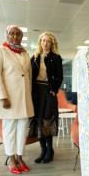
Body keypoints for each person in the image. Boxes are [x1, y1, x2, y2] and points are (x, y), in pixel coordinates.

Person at [0, 25, 34, 174]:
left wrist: (29, 94)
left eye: (18, 34)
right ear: (6, 35)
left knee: (23, 128)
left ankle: (20, 157)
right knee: (9, 129)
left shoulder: (25, 53)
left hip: (24, 97)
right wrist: (2, 97)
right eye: (12, 34)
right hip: (9, 96)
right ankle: (11, 159)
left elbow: (28, 75)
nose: (15, 36)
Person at [31, 31, 63, 163]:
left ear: (52, 43)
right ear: (40, 42)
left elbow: (60, 76)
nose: (45, 43)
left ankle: (50, 150)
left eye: (48, 41)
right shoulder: (34, 57)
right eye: (43, 40)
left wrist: (55, 89)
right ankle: (43, 150)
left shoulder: (56, 57)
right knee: (38, 121)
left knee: (47, 122)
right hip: (36, 91)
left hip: (48, 91)